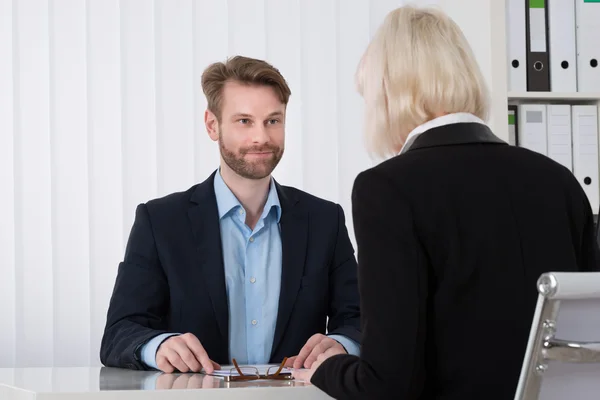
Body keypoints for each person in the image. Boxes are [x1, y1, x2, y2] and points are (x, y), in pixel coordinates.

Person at [292, 5, 600, 399]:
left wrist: (327, 368)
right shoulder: (559, 180)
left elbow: (388, 385)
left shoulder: (386, 189)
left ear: (388, 93)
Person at [100, 55, 361, 374]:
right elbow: (119, 332)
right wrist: (159, 346)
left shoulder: (324, 221)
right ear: (212, 125)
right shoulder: (160, 221)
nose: (261, 138)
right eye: (244, 121)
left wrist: (343, 344)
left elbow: (359, 319)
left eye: (273, 121)